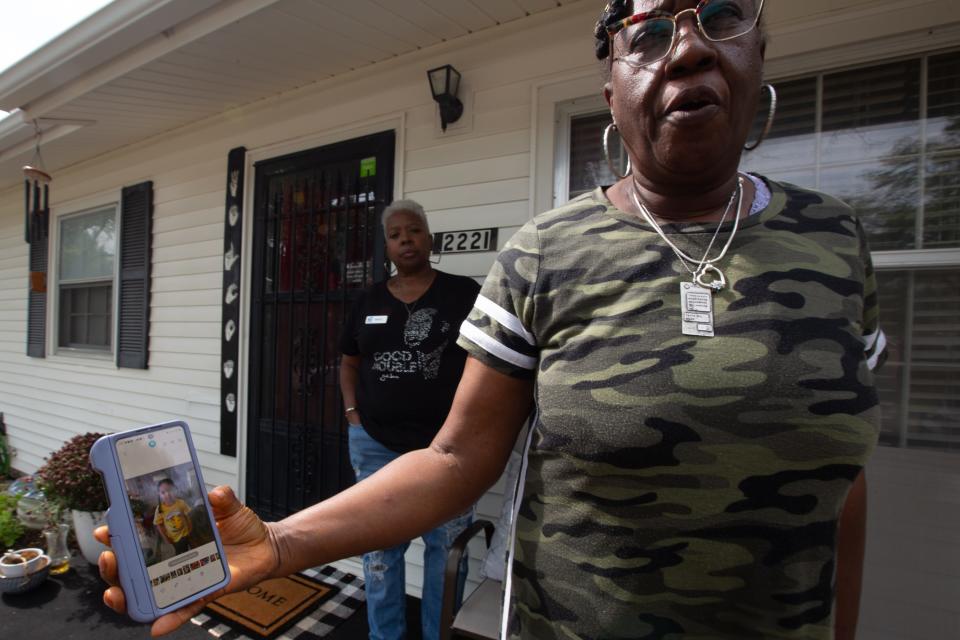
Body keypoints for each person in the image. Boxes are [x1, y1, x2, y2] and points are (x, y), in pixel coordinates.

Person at [97, 2, 887, 638]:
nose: (686, 49)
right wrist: (280, 542)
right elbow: (453, 459)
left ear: (759, 51)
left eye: (720, 16)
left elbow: (839, 485)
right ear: (612, 93)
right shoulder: (546, 252)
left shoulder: (836, 241)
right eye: (646, 33)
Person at [339, 198, 480, 640]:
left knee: (445, 550)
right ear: (387, 247)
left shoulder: (463, 293)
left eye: (414, 230)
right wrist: (352, 415)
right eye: (396, 234)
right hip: (375, 444)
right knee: (380, 550)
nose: (406, 240)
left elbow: (485, 363)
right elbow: (348, 361)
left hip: (447, 449)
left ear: (429, 238)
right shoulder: (367, 299)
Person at [153, 478, 193, 557]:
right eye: (163, 492)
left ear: (175, 489)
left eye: (170, 490)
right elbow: (159, 525)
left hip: (186, 533)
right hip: (174, 539)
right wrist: (166, 538)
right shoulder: (160, 509)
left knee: (190, 551)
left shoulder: (181, 503)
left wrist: (191, 528)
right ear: (159, 494)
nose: (167, 494)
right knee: (180, 554)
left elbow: (189, 515)